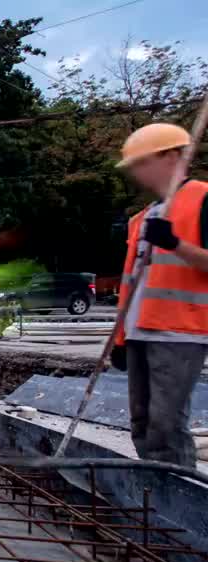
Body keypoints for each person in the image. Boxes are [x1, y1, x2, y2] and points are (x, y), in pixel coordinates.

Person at [112, 122, 208, 468]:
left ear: (171, 157)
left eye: (142, 162)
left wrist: (175, 244)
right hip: (139, 331)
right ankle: (151, 492)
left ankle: (179, 499)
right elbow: (132, 284)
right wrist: (120, 339)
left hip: (179, 331)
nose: (137, 173)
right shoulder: (142, 218)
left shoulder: (201, 199)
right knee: (142, 424)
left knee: (166, 425)